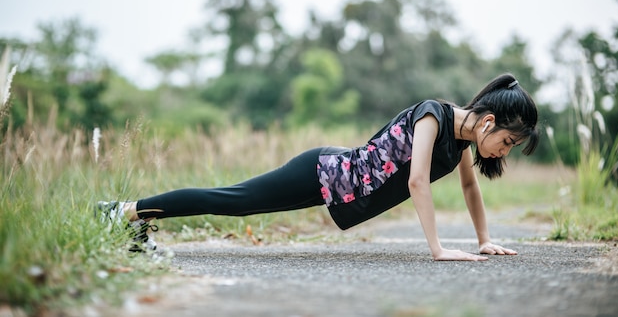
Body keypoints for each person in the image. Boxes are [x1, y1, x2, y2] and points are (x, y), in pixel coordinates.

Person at [98, 73, 539, 261]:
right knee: (234, 201)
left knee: (237, 204)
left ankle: (129, 218)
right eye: (505, 141)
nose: (502, 151)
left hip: (339, 188)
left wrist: (484, 240)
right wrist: (438, 249)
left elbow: (469, 190)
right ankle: (121, 210)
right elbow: (417, 179)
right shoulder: (433, 116)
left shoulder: (459, 141)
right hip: (323, 171)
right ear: (487, 121)